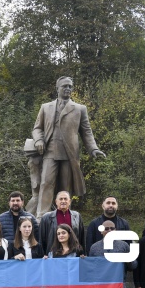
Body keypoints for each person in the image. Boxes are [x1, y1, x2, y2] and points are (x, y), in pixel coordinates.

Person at [32, 76, 105, 218]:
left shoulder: (79, 109)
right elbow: (37, 129)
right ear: (57, 88)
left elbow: (86, 131)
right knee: (46, 183)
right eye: (65, 86)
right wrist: (38, 140)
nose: (68, 89)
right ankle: (42, 217)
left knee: (66, 187)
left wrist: (93, 149)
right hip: (50, 151)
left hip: (69, 153)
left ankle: (64, 215)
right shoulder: (46, 107)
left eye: (70, 86)